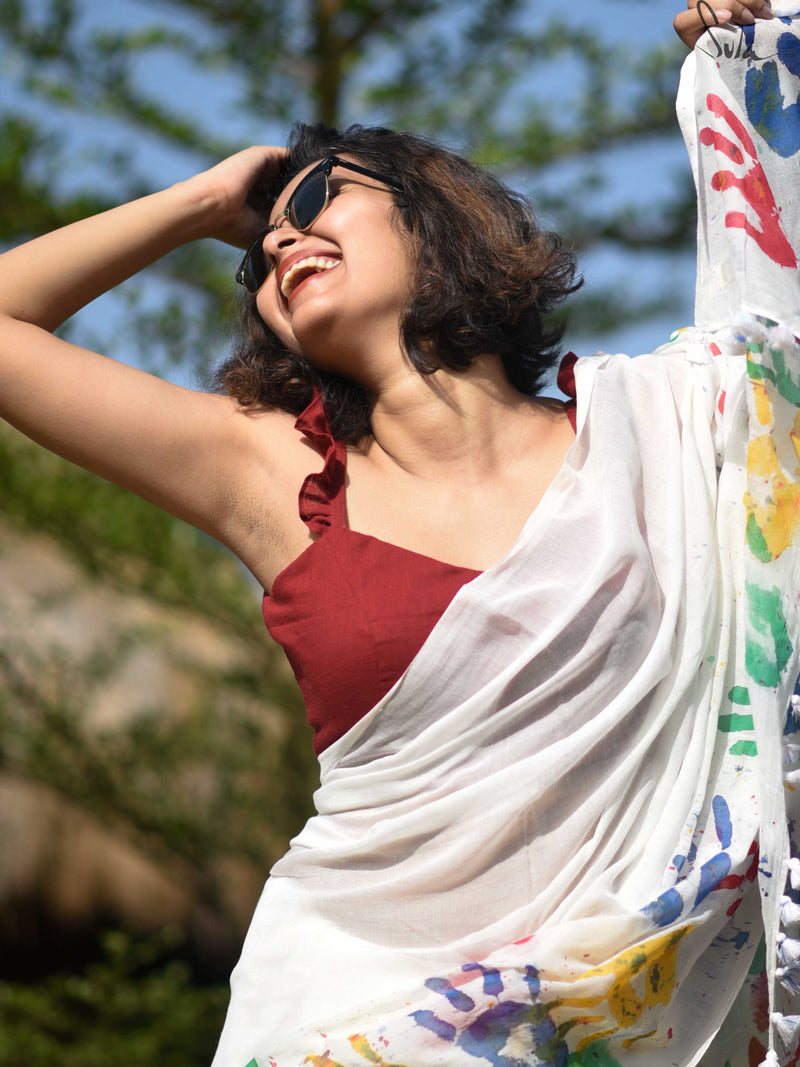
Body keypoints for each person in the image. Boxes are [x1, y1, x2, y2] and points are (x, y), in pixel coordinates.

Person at [0, 2, 795, 1065]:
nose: (280, 236)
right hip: (349, 1018)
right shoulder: (274, 474)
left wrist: (749, 61)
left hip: (633, 1008)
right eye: (262, 244)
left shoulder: (671, 427)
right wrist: (202, 203)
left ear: (436, 218)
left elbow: (776, 318)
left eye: (322, 197)